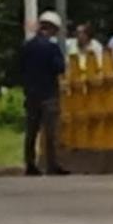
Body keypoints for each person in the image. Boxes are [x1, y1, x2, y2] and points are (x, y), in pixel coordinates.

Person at [21, 11, 68, 176]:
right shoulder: (52, 47)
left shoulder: (28, 46)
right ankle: (52, 165)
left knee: (31, 131)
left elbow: (20, 68)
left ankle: (30, 164)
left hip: (31, 93)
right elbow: (60, 68)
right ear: (53, 29)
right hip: (49, 93)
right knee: (51, 132)